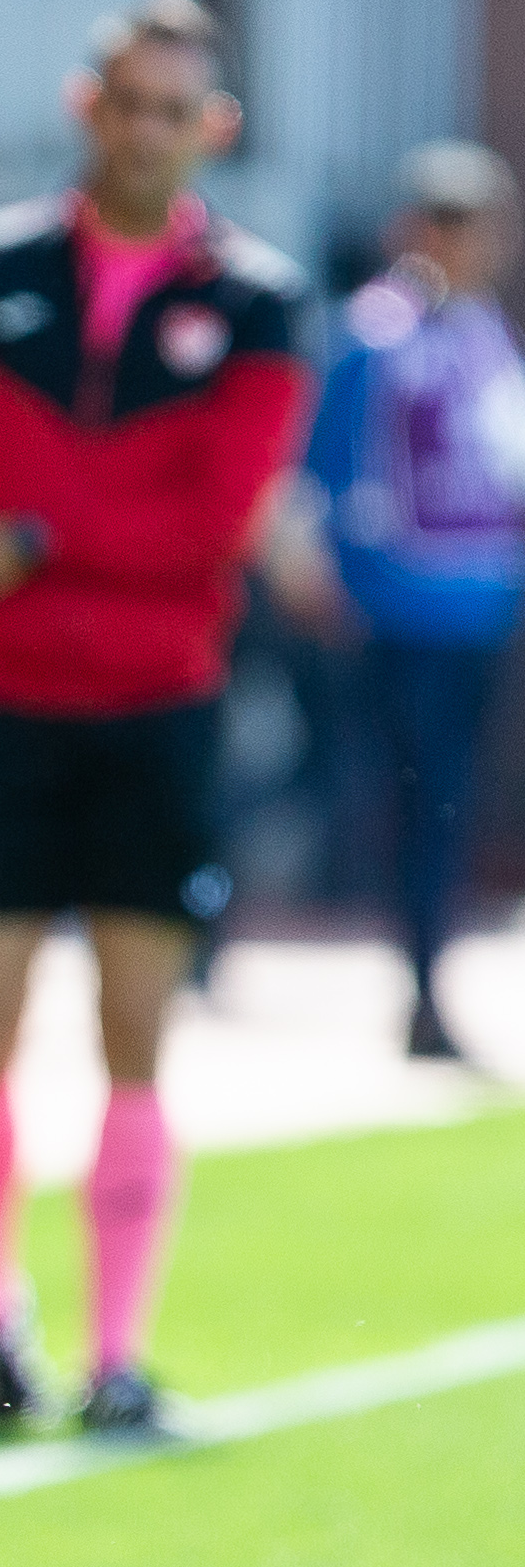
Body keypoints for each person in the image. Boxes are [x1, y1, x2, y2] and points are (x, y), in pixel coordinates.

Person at [0, 0, 309, 1436]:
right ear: (85, 108)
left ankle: (119, 1353)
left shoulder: (258, 302)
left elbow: (211, 522)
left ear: (212, 129)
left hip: (156, 710)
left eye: (173, 111)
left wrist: (22, 538)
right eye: (124, 104)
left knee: (136, 1035)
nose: (143, 133)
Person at [300, 142, 525, 1059]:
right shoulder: (374, 337)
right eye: (459, 224)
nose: (480, 245)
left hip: (480, 607)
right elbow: (323, 473)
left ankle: (429, 978)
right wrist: (332, 588)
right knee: (399, 799)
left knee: (448, 805)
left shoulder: (486, 335)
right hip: (398, 611)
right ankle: (418, 981)